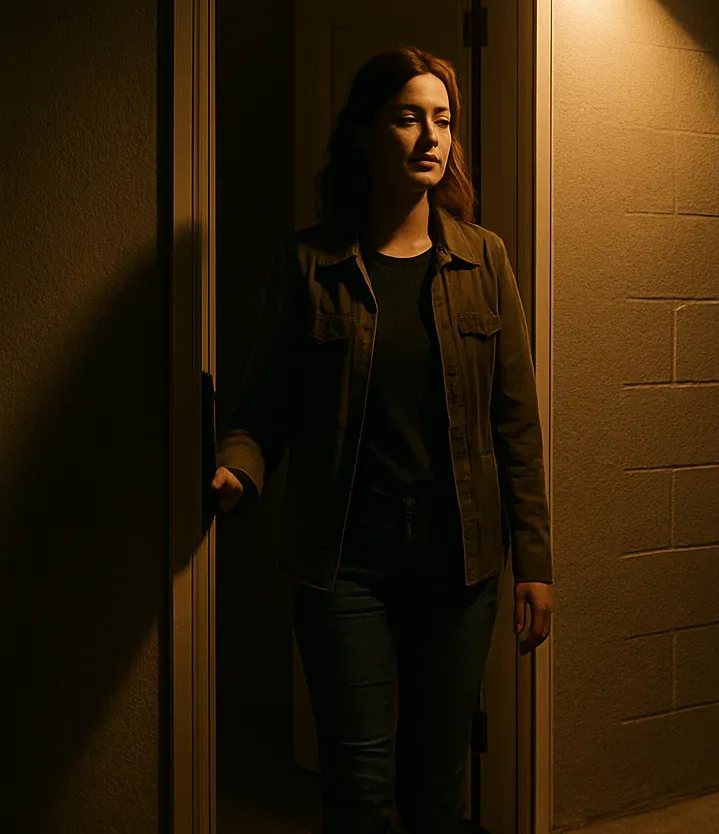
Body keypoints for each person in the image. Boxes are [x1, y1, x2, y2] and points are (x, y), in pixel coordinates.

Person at [209, 46, 552, 834]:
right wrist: (237, 469)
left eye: (443, 120)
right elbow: (263, 409)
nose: (432, 137)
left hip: (459, 560)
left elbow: (516, 423)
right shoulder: (309, 265)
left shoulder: (483, 257)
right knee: (359, 787)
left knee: (438, 787)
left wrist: (536, 562)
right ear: (366, 133)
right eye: (408, 117)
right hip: (346, 558)